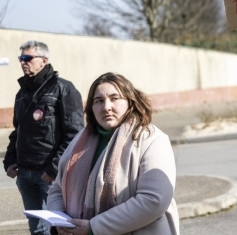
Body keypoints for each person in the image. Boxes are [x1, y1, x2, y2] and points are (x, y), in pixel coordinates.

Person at [47, 72, 179, 235]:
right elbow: (57, 189)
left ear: (130, 101)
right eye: (99, 101)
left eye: (114, 98)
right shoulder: (79, 141)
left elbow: (154, 200)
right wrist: (59, 221)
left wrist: (94, 227)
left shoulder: (151, 139)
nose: (106, 107)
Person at [3, 41, 84, 235]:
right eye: (21, 58)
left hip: (49, 175)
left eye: (27, 58)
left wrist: (54, 167)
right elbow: (18, 131)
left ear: (44, 60)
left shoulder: (64, 89)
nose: (23, 62)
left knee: (60, 228)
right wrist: (10, 160)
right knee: (37, 230)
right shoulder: (21, 94)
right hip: (25, 174)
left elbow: (75, 134)